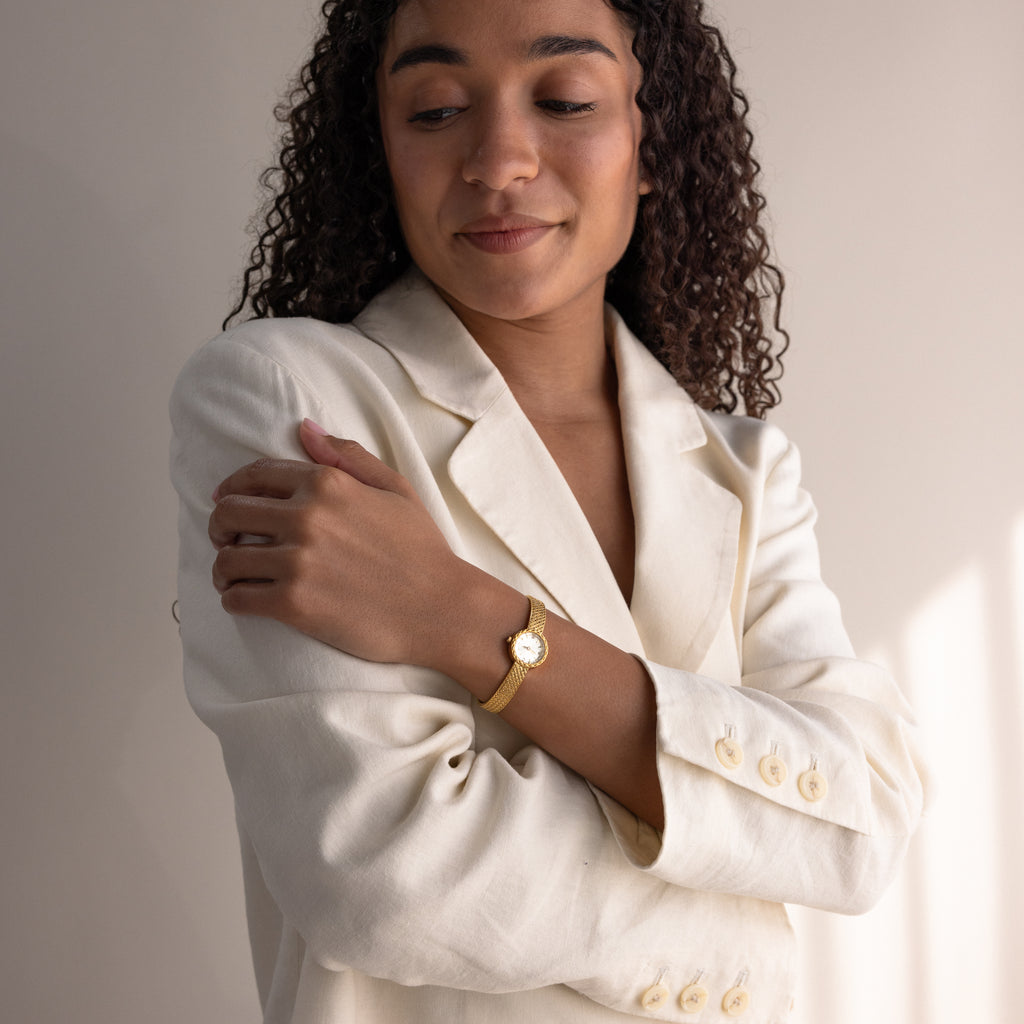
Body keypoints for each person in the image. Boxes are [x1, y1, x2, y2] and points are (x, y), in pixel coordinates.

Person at [170, 0, 926, 1021]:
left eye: (562, 98)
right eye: (434, 109)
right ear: (377, 150)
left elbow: (863, 820)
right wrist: (752, 933)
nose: (497, 158)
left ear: (651, 140)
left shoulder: (746, 471)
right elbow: (391, 875)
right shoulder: (287, 401)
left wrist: (460, 614)